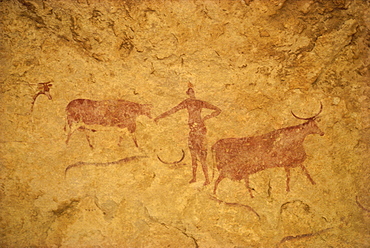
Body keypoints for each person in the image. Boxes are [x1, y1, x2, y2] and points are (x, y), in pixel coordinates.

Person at [154, 85, 221, 185]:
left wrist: (208, 117)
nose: (192, 94)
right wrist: (160, 117)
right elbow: (173, 110)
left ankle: (207, 179)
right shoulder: (186, 102)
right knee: (193, 155)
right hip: (192, 131)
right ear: (188, 93)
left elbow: (218, 110)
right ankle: (194, 177)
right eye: (190, 92)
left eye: (193, 91)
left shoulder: (200, 102)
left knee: (202, 156)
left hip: (200, 130)